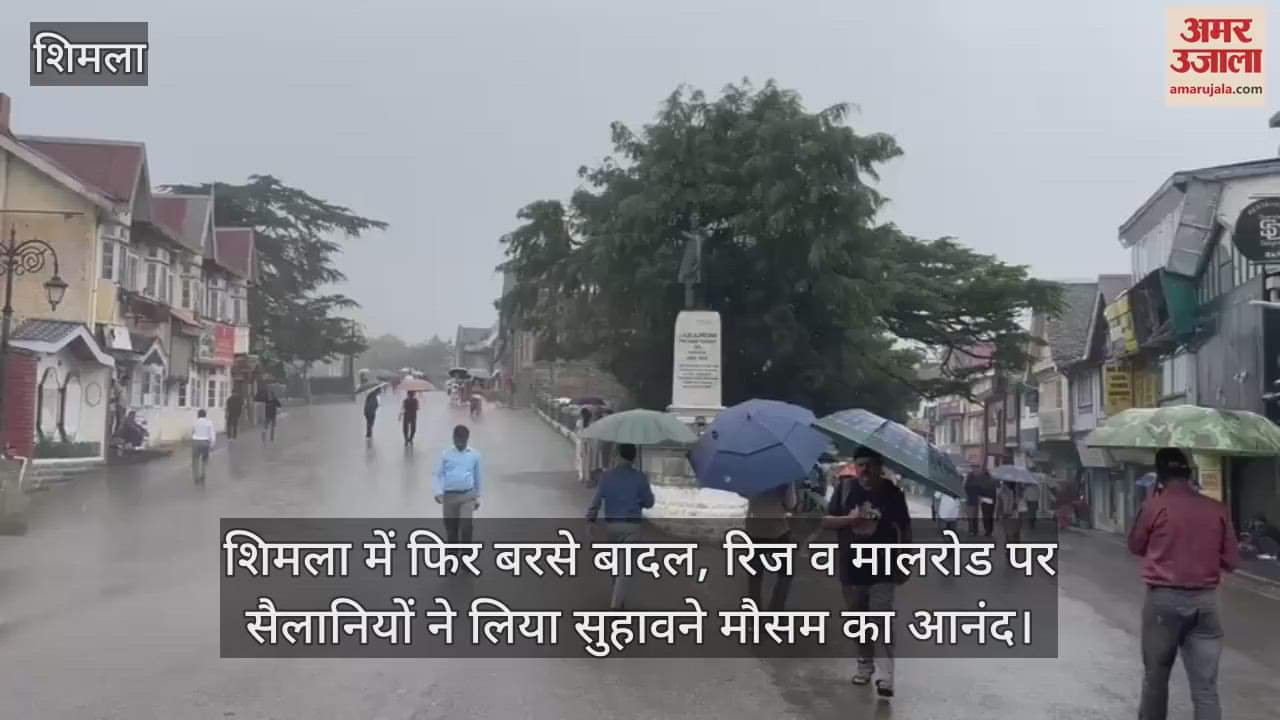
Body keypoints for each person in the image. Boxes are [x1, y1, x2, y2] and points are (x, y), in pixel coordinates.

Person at [1128, 448, 1238, 720]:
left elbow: (1135, 545)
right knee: (1206, 688)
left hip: (1162, 602)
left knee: (1155, 680)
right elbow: (1231, 560)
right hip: (1206, 603)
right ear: (1190, 474)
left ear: (1161, 476)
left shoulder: (1154, 506)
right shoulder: (1217, 509)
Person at [823, 447, 911, 698]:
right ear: (855, 466)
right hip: (851, 568)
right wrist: (850, 520)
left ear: (880, 467)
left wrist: (906, 560)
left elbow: (905, 529)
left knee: (881, 619)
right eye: (861, 464)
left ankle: (886, 676)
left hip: (883, 567)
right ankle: (865, 665)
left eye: (871, 464)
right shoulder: (845, 490)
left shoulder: (892, 493)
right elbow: (826, 521)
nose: (866, 469)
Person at [586, 443, 654, 610]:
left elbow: (596, 500)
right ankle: (617, 602)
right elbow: (649, 503)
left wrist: (591, 520)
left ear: (618, 456)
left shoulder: (607, 477)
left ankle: (617, 595)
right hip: (632, 526)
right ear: (633, 457)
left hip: (612, 525)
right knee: (626, 567)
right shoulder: (640, 477)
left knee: (616, 563)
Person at [745, 481, 798, 611]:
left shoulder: (749, 472)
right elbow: (791, 503)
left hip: (754, 529)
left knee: (755, 577)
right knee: (786, 573)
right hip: (777, 530)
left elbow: (745, 494)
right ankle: (776, 610)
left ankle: (755, 618)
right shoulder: (785, 476)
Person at [434, 425, 482, 544]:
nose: (460, 443)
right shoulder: (446, 454)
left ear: (467, 439)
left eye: (463, 440)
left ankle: (466, 556)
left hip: (467, 496)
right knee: (451, 529)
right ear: (453, 438)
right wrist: (438, 492)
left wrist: (478, 497)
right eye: (458, 440)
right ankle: (452, 557)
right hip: (449, 497)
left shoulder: (474, 455)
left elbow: (478, 477)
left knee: (466, 526)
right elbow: (437, 475)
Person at [191, 409, 215, 484]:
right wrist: (212, 444)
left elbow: (193, 432)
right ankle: (203, 474)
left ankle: (196, 477)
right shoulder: (209, 422)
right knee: (204, 460)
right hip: (205, 442)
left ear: (198, 415)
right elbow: (212, 434)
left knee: (195, 460)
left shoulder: (195, 422)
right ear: (205, 415)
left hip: (196, 442)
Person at [964, 470, 982, 536]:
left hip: (969, 501)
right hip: (975, 501)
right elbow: (980, 492)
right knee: (975, 517)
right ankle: (975, 530)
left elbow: (964, 491)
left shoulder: (967, 484)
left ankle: (971, 529)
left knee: (970, 517)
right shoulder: (977, 483)